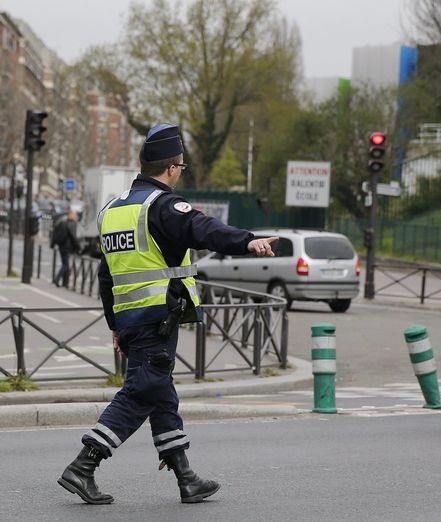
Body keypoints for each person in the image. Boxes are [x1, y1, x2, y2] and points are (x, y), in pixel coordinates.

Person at [57, 123, 278, 505]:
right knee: (142, 392)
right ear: (173, 169)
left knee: (160, 393)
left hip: (130, 321)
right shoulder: (162, 207)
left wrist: (114, 325)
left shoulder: (112, 211)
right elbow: (203, 229)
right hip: (157, 319)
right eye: (181, 168)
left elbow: (104, 274)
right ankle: (84, 464)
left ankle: (186, 478)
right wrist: (248, 240)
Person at [51, 210, 79, 287]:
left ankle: (64, 283)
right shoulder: (72, 224)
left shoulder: (62, 222)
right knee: (65, 265)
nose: (76, 217)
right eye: (75, 215)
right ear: (72, 215)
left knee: (65, 263)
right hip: (67, 247)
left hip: (61, 246)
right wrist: (78, 247)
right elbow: (73, 237)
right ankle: (57, 278)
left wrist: (53, 244)